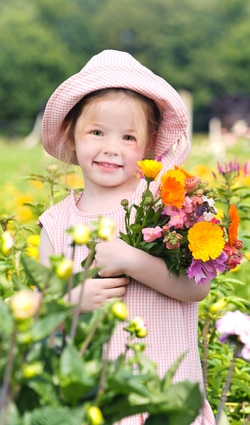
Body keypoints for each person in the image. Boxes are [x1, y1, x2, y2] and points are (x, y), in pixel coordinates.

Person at [39, 49, 215, 425]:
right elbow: (42, 315)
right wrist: (73, 302)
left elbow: (197, 288)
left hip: (167, 400)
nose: (110, 147)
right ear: (72, 135)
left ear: (149, 145)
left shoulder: (165, 203)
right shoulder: (56, 223)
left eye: (128, 137)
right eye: (97, 132)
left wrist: (131, 260)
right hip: (94, 404)